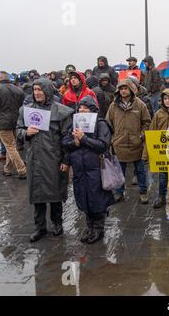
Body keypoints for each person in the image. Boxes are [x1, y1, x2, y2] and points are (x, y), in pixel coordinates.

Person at [17, 79, 74, 242]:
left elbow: (67, 138)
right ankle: (40, 227)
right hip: (35, 159)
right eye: (34, 89)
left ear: (48, 91)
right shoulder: (26, 111)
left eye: (40, 89)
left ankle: (57, 223)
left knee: (55, 192)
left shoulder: (61, 112)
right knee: (37, 194)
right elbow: (18, 130)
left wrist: (66, 159)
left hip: (54, 158)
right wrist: (25, 133)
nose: (37, 92)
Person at [62, 96, 114, 244]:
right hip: (79, 169)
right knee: (83, 197)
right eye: (80, 108)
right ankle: (90, 226)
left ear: (93, 109)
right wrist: (76, 142)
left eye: (85, 107)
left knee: (96, 198)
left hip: (96, 169)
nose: (82, 110)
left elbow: (103, 145)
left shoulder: (101, 124)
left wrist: (84, 138)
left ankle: (98, 228)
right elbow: (65, 142)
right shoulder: (74, 124)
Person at [106, 79, 151, 204]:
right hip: (119, 144)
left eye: (125, 88)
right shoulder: (113, 106)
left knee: (140, 171)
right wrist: (112, 138)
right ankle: (119, 193)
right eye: (121, 89)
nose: (123, 91)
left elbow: (147, 122)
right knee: (120, 171)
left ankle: (143, 192)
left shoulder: (140, 104)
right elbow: (108, 123)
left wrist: (141, 136)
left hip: (136, 143)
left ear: (131, 89)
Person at [0, 71, 27, 178]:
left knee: (10, 146)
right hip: (16, 120)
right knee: (12, 146)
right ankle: (7, 169)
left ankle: (22, 170)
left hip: (2, 122)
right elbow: (22, 105)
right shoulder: (18, 89)